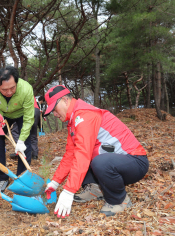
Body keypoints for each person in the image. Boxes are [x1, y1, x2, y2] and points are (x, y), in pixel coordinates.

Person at [44, 85, 148, 217]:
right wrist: (55, 182)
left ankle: (119, 201)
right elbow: (70, 155)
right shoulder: (74, 121)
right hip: (118, 161)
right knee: (88, 157)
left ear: (65, 100)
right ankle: (95, 189)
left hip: (135, 161)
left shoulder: (85, 115)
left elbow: (82, 154)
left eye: (54, 108)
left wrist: (69, 191)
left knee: (99, 161)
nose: (54, 114)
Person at [0, 66, 34, 191]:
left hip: (21, 114)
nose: (9, 92)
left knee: (25, 145)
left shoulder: (26, 89)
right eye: (4, 90)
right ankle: (2, 178)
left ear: (16, 82)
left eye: (12, 88)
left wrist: (21, 140)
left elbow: (29, 118)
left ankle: (22, 178)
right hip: (2, 114)